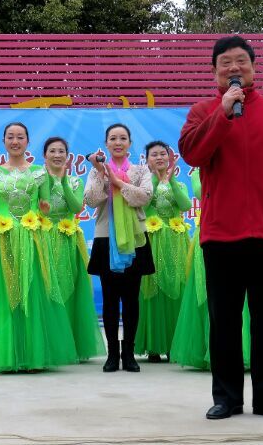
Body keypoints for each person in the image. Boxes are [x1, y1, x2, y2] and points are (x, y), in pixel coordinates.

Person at [179, 35, 263, 421]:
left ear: (253, 68)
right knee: (224, 322)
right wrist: (222, 113)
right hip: (221, 234)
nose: (234, 67)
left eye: (241, 60)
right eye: (226, 62)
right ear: (214, 71)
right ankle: (226, 398)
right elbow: (192, 153)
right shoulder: (203, 111)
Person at [0, 123, 77, 372]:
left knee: (32, 291)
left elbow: (45, 205)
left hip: (31, 238)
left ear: (27, 141)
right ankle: (6, 355)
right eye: (10, 137)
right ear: (4, 141)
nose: (15, 141)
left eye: (20, 137)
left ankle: (33, 355)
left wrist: (44, 208)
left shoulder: (39, 172)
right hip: (2, 238)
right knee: (5, 293)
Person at [86, 123, 155, 373]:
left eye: (122, 138)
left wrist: (118, 182)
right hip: (106, 237)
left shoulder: (140, 170)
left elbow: (145, 197)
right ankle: (113, 354)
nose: (118, 142)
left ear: (130, 143)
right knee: (110, 299)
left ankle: (129, 353)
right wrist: (102, 175)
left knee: (131, 298)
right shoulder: (96, 170)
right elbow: (91, 199)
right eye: (113, 138)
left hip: (134, 237)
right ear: (106, 144)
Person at [170, 168, 253, 371]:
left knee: (243, 294)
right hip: (212, 234)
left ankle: (244, 352)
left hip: (242, 229)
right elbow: (202, 193)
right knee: (212, 294)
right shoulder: (198, 172)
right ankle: (214, 353)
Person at [42, 137, 105, 361]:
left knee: (68, 287)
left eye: (61, 151)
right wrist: (49, 181)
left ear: (67, 156)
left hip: (68, 239)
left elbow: (77, 206)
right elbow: (42, 208)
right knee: (47, 289)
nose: (57, 155)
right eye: (52, 151)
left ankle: (70, 344)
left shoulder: (75, 181)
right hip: (42, 238)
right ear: (45, 155)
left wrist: (63, 182)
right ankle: (49, 344)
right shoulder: (38, 179)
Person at [136, 141, 191, 362]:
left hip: (176, 241)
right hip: (151, 240)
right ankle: (154, 346)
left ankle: (174, 344)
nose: (159, 158)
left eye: (163, 154)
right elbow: (143, 207)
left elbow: (185, 205)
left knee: (177, 287)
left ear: (169, 158)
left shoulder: (180, 184)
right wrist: (156, 180)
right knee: (152, 289)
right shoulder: (143, 184)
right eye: (154, 155)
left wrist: (171, 180)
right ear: (147, 160)